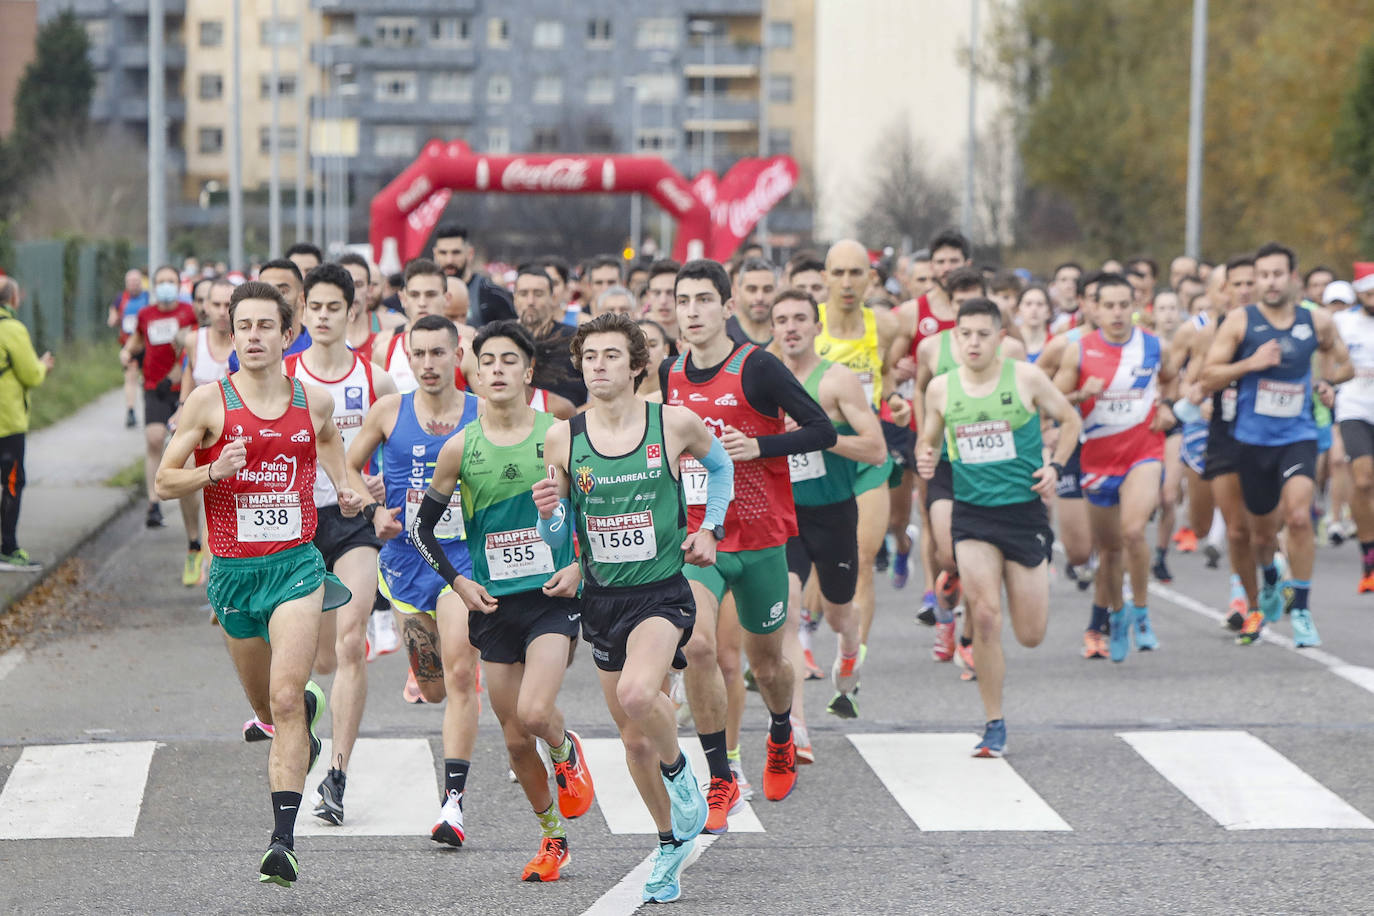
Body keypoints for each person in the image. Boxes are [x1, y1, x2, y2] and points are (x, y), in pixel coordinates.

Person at [153, 280, 362, 888]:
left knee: (288, 698)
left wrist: (343, 482)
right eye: (242, 325)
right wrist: (212, 469)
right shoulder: (207, 403)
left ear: (286, 334)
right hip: (234, 574)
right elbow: (164, 483)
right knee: (268, 708)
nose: (252, 336)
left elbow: (327, 439)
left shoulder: (312, 401)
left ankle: (282, 843)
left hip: (296, 566)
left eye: (265, 326)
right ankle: (300, 727)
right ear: (232, 333)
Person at [533, 312, 727, 903]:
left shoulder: (672, 424)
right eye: (590, 357)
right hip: (602, 600)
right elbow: (558, 531)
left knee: (639, 695)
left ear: (637, 364)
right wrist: (548, 515)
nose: (599, 366)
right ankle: (670, 844)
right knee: (635, 739)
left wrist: (710, 528)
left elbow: (720, 469)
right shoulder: (564, 437)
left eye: (612, 356)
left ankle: (683, 777)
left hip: (662, 593)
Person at [412, 320, 595, 882]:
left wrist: (578, 564)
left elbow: (596, 509)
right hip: (493, 605)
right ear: (473, 369)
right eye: (487, 360)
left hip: (550, 595)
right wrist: (459, 583)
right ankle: (552, 838)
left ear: (528, 371)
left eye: (508, 361)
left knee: (536, 714)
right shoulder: (458, 448)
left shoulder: (559, 434)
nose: (496, 370)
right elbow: (422, 529)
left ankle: (566, 752)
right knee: (515, 739)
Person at [664, 259, 837, 831]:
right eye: (682, 301)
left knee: (767, 667)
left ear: (727, 307)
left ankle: (782, 731)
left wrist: (759, 447)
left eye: (703, 301)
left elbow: (822, 431)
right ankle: (720, 777)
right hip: (700, 539)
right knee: (700, 647)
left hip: (762, 539)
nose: (691, 312)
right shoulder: (671, 373)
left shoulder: (757, 367)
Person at [918, 298, 1080, 757]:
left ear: (999, 339)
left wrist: (1056, 466)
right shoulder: (942, 389)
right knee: (986, 616)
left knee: (1030, 634)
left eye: (982, 334)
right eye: (964, 333)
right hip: (973, 513)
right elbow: (928, 439)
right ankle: (993, 722)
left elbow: (1070, 419)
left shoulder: (1025, 377)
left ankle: (1005, 582)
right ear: (954, 339)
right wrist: (925, 456)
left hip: (1023, 513)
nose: (973, 342)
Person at [346, 313, 484, 842]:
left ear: (457, 356)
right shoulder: (389, 412)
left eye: (438, 353)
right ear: (406, 354)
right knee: (431, 690)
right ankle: (426, 669)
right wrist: (371, 510)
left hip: (463, 562)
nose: (428, 364)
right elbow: (348, 466)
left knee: (458, 672)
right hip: (406, 563)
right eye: (418, 354)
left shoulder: (481, 412)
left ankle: (453, 804)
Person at [281, 264, 399, 824]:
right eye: (315, 307)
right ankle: (312, 711)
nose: (324, 317)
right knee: (319, 656)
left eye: (334, 307)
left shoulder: (375, 379)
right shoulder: (281, 377)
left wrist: (379, 490)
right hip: (298, 525)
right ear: (301, 311)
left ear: (352, 310)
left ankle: (337, 776)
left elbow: (402, 450)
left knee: (351, 643)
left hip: (353, 524)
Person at [1201, 242, 1352, 647]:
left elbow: (1344, 361)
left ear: (1292, 278)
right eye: (1262, 275)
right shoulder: (1239, 321)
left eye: (1276, 274)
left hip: (1297, 437)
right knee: (1261, 538)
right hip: (1251, 443)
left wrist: (1327, 383)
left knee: (1300, 517)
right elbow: (1208, 376)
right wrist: (1251, 363)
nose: (1268, 282)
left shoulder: (1315, 321)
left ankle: (1300, 608)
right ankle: (1269, 578)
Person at [771, 287, 886, 729]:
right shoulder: (761, 377)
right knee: (790, 608)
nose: (791, 328)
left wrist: (821, 435)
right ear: (774, 329)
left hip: (833, 511)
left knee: (839, 613)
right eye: (782, 321)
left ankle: (852, 648)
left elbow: (876, 449)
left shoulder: (836, 380)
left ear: (817, 327)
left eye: (800, 319)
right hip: (784, 515)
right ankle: (793, 724)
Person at [1055, 273, 1176, 663]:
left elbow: (1173, 382)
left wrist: (1167, 406)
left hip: (1143, 452)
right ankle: (1117, 616)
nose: (1118, 313)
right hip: (1097, 459)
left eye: (1125, 304)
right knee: (1107, 551)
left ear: (1136, 305)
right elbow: (1052, 401)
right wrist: (1079, 394)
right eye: (1109, 305)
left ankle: (1141, 613)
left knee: (1134, 530)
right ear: (1093, 308)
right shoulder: (1079, 351)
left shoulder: (1155, 347)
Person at [815, 240, 901, 651]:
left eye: (856, 273)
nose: (847, 283)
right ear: (824, 278)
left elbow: (888, 379)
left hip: (867, 455)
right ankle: (803, 641)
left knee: (863, 559)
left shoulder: (885, 326)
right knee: (815, 562)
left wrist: (896, 402)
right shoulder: (806, 326)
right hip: (816, 458)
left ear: (871, 278)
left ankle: (854, 661)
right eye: (839, 273)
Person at [121, 265, 199, 530]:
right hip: (154, 386)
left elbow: (194, 348)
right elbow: (137, 339)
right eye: (161, 281)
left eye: (171, 281)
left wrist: (178, 374)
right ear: (154, 286)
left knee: (184, 447)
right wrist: (126, 351)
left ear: (178, 285)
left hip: (183, 389)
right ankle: (154, 503)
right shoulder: (146, 313)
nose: (166, 285)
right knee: (154, 439)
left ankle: (185, 492)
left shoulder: (188, 313)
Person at [175, 277, 235, 587]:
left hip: (231, 432)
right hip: (198, 428)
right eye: (217, 304)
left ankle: (216, 565)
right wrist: (182, 406)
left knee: (220, 492)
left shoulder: (245, 342)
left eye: (229, 305)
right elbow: (189, 373)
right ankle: (193, 543)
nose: (223, 311)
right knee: (182, 476)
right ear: (205, 307)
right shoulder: (193, 340)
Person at [0, 278, 52, 571]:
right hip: (7, 422)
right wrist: (43, 365)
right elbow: (31, 375)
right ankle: (8, 548)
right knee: (11, 484)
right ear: (14, 300)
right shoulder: (12, 330)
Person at [1334, 267, 1374, 591]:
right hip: (1354, 408)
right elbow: (1327, 359)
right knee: (1362, 480)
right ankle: (1369, 560)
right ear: (1358, 294)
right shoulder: (1343, 322)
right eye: (1368, 294)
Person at [512, 266, 586, 406]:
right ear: (515, 298)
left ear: (552, 298)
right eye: (523, 294)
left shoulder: (577, 340)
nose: (530, 301)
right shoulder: (501, 338)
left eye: (538, 294)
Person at [227, 259, 313, 372]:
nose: (273, 298)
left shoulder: (313, 347)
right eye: (265, 291)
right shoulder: (241, 352)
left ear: (301, 297)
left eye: (282, 291)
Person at [430, 223, 517, 325]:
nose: (449, 260)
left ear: (470, 253)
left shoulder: (492, 294)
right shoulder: (422, 294)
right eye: (443, 253)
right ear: (435, 254)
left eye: (456, 252)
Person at [108, 268, 148, 427]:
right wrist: (114, 318)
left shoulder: (148, 297)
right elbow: (111, 317)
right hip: (129, 346)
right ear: (126, 284)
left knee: (147, 379)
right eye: (130, 282)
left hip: (146, 345)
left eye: (136, 282)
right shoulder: (120, 299)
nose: (133, 285)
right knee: (130, 378)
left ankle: (149, 409)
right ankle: (130, 411)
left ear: (141, 283)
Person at [726, 258, 777, 347]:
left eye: (767, 290)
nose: (760, 297)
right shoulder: (722, 334)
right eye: (752, 289)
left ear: (777, 291)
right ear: (736, 291)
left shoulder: (787, 332)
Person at [641, 260, 681, 343]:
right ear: (648, 295)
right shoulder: (635, 337)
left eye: (670, 293)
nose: (663, 301)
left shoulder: (696, 340)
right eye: (657, 293)